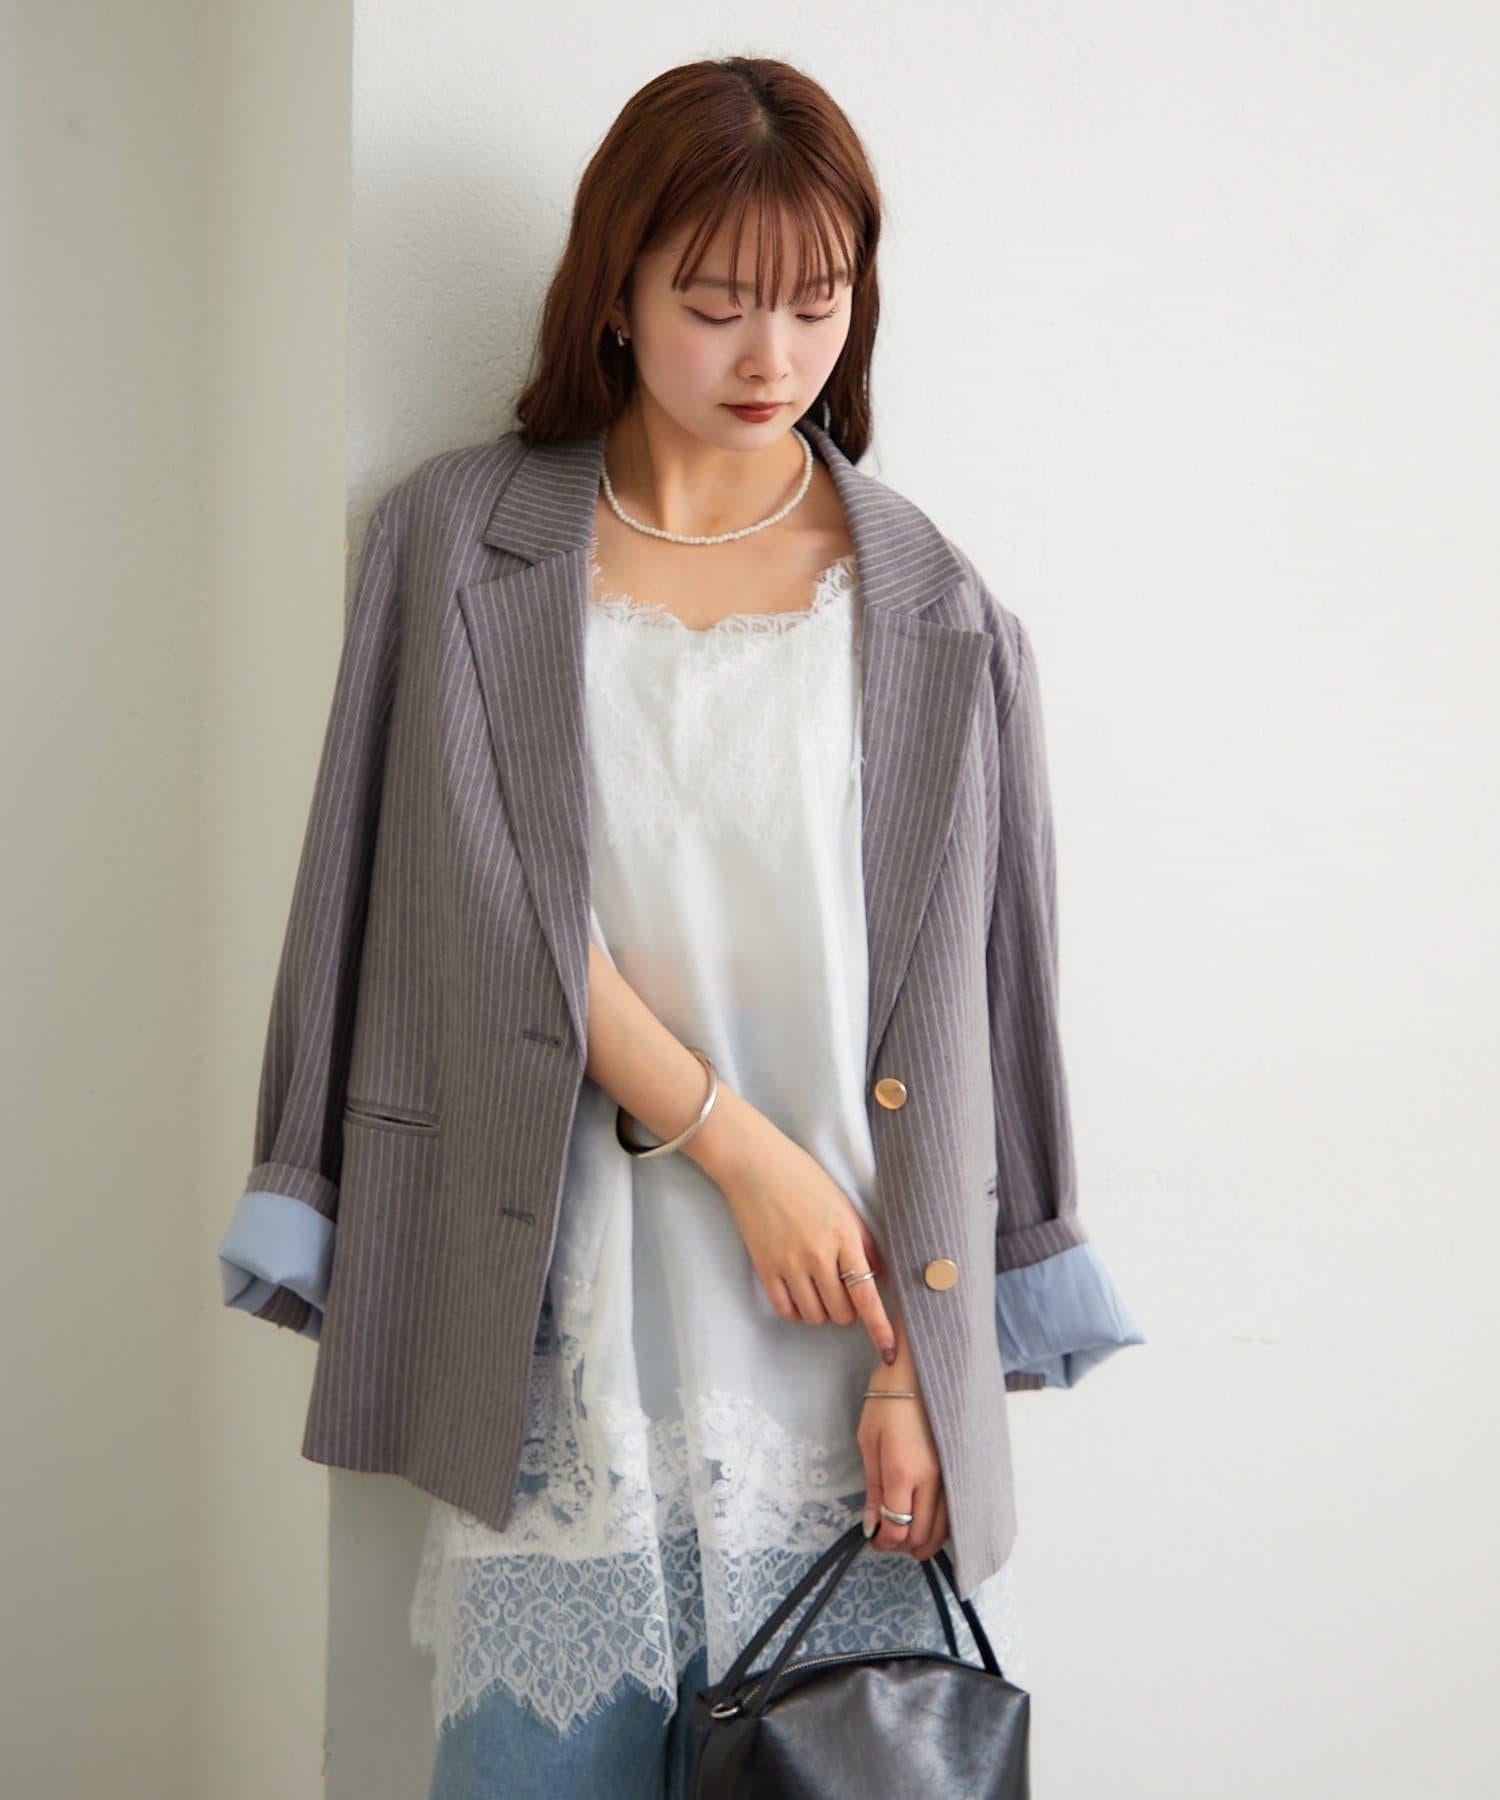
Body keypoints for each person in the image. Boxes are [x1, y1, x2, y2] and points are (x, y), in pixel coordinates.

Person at [217, 54, 1144, 1799]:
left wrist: (916, 1369)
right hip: (565, 1308)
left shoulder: (935, 608)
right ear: (616, 293)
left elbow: (967, 1013)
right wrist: (736, 1145)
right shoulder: (457, 544)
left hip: (847, 1339)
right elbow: (462, 902)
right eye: (716, 304)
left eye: (816, 302)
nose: (770, 356)